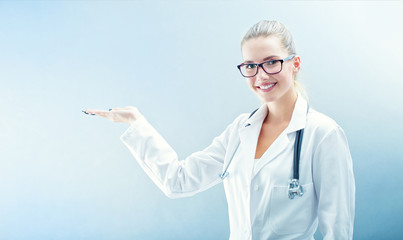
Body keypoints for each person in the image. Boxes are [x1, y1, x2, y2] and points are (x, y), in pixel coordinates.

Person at [84, 20, 355, 240]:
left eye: (271, 62)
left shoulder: (324, 135)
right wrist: (136, 122)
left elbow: (338, 230)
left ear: (294, 64)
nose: (261, 76)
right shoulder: (241, 130)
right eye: (250, 66)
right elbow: (178, 181)